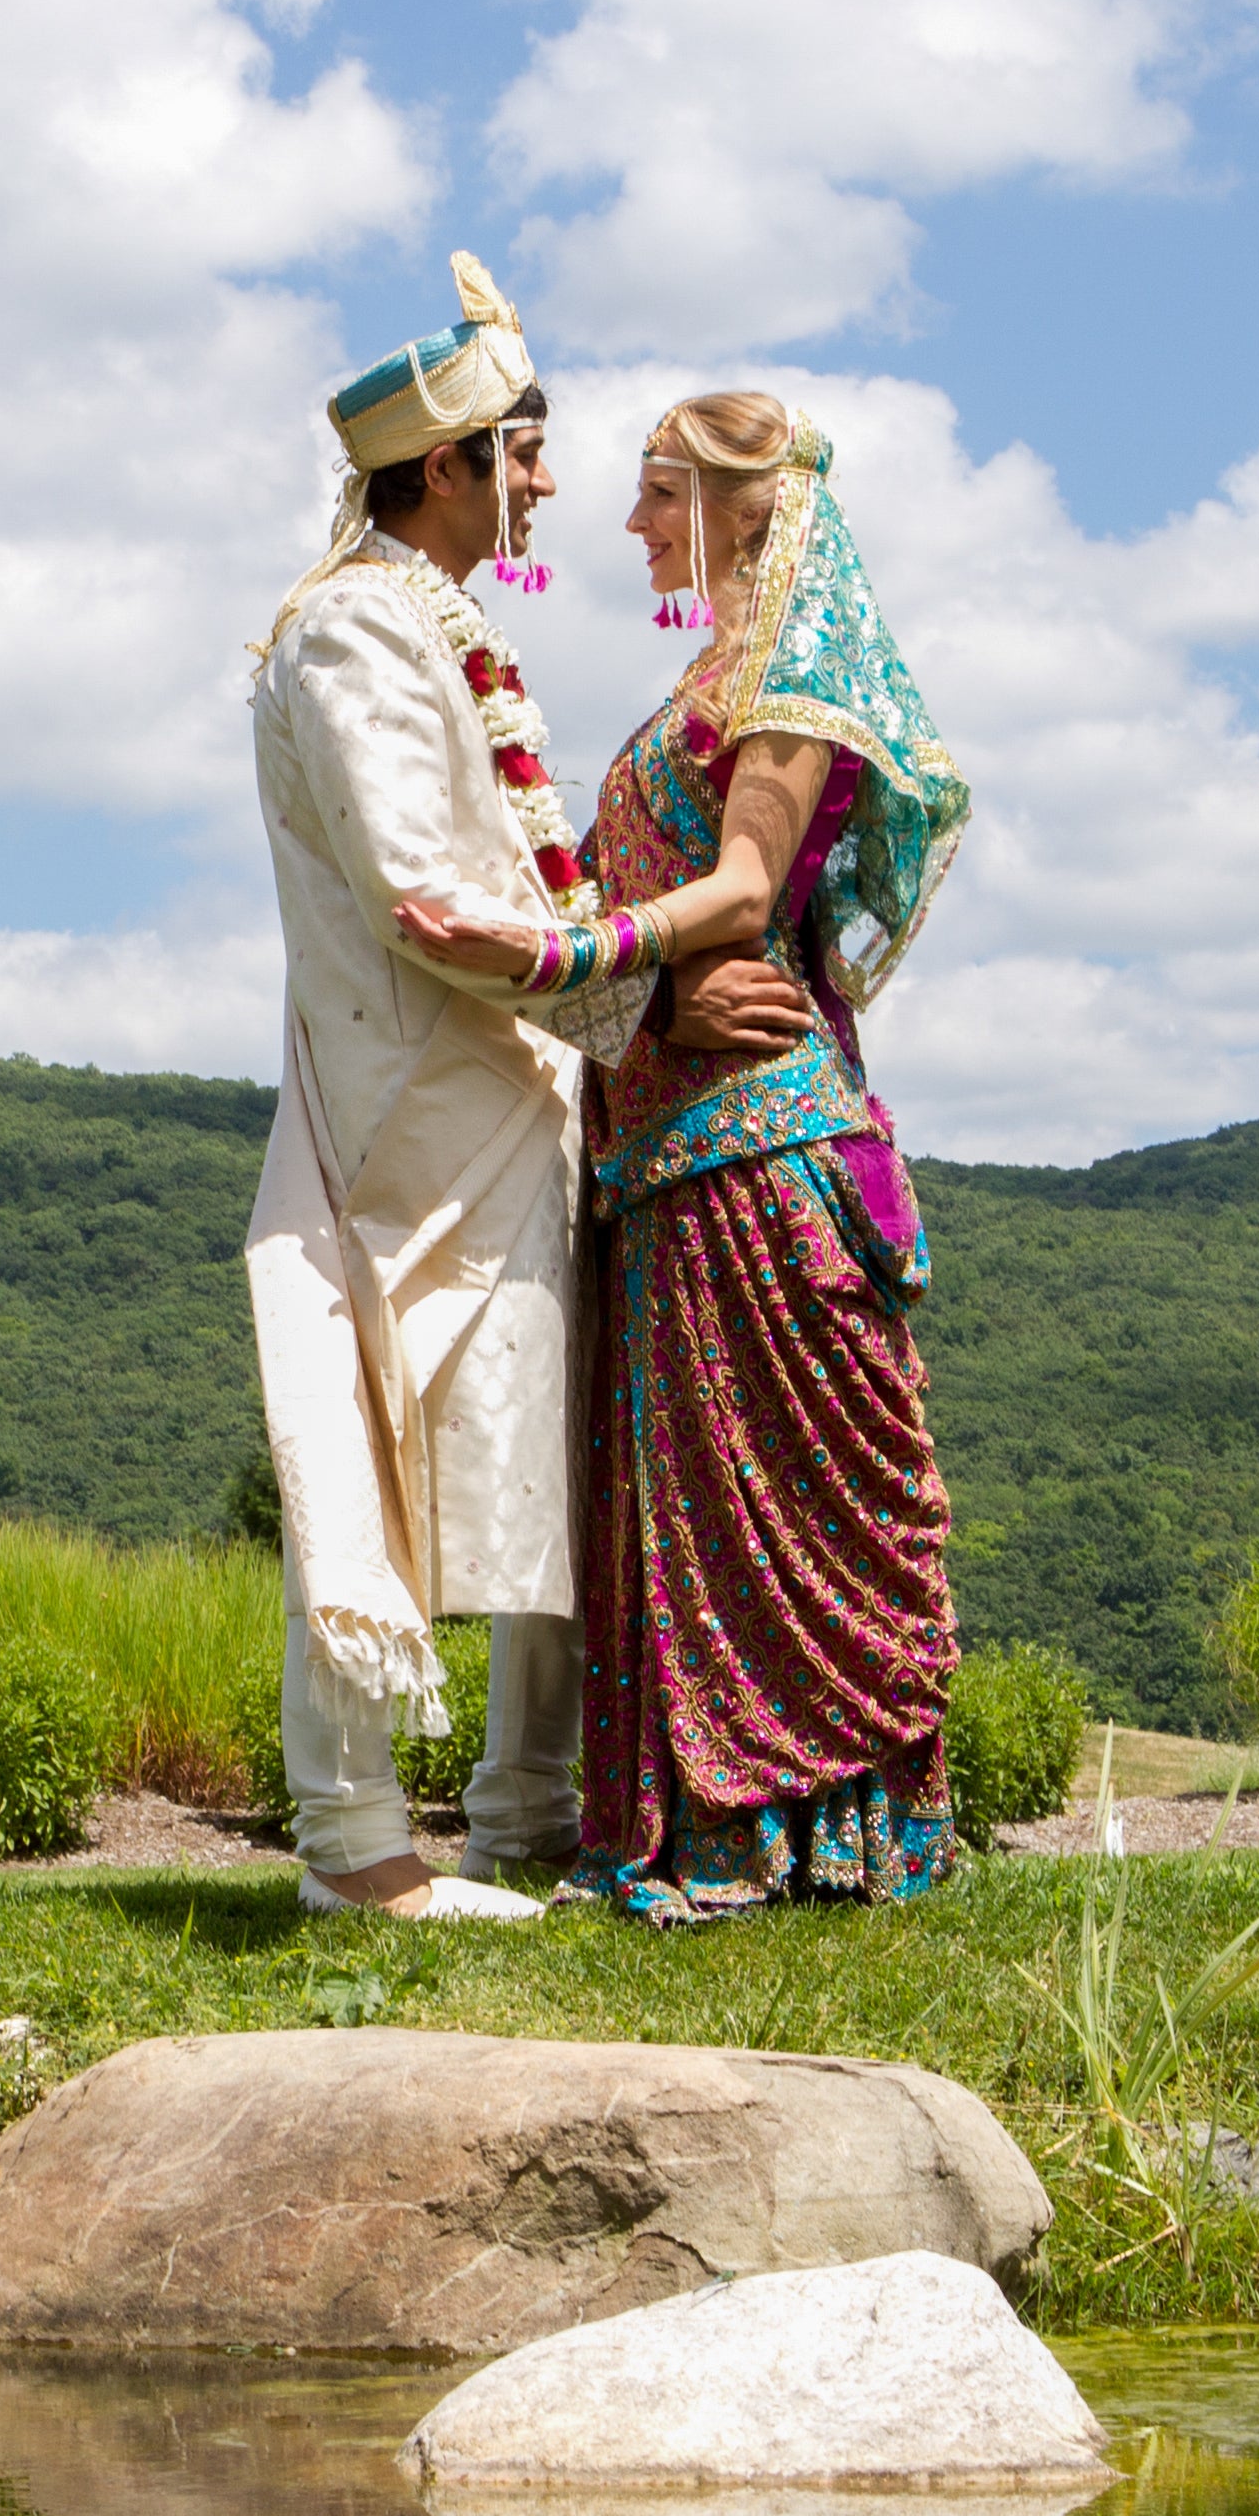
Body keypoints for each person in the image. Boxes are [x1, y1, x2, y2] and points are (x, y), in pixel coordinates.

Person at [248, 261, 805, 1922]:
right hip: (411, 1116)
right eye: (529, 452)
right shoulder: (355, 627)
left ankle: (525, 1823)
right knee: (367, 1439)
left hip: (507, 1104)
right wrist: (658, 975)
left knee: (546, 1455)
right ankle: (355, 1851)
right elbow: (425, 903)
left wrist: (627, 997)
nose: (550, 486)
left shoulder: (436, 622)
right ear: (446, 466)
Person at [395, 391, 973, 1924]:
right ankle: (710, 1833)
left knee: (790, 1503)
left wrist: (580, 955)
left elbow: (747, 888)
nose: (634, 521)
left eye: (660, 492)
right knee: (695, 1506)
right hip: (667, 1145)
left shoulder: (788, 683)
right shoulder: (703, 685)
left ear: (733, 503)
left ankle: (818, 1834)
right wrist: (628, 986)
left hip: (759, 1133)